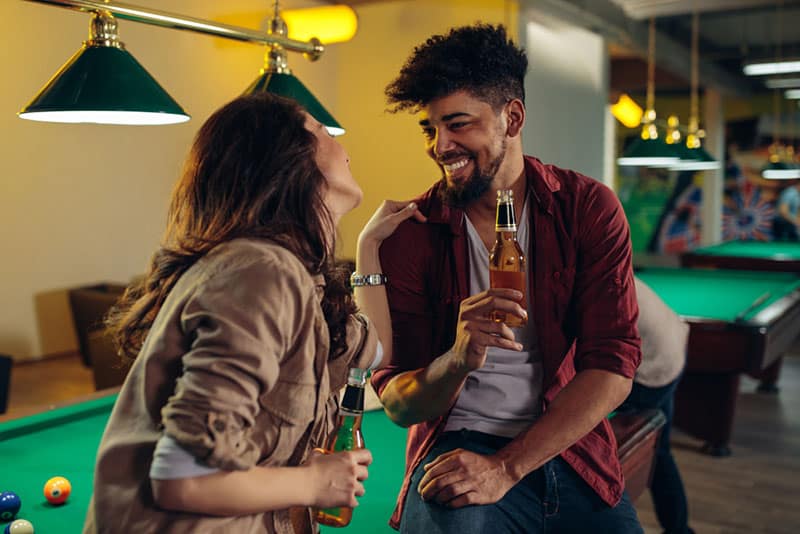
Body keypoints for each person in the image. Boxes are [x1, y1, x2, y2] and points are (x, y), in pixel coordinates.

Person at [82, 92, 424, 533]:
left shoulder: (303, 279)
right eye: (322, 132)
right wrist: (315, 482)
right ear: (289, 161)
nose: (342, 145)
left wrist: (368, 249)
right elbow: (183, 479)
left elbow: (375, 349)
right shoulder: (262, 271)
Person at [371, 24, 642, 534]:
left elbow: (613, 365)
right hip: (458, 444)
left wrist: (507, 468)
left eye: (458, 125)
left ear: (511, 117)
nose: (440, 146)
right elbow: (399, 405)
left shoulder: (587, 207)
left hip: (568, 442)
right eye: (431, 130)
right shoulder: (412, 236)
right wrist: (456, 359)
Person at [618, 277, 694, 534]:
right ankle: (680, 529)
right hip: (671, 346)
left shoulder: (584, 276)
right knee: (660, 452)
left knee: (607, 450)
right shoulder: (597, 258)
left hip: (655, 363)